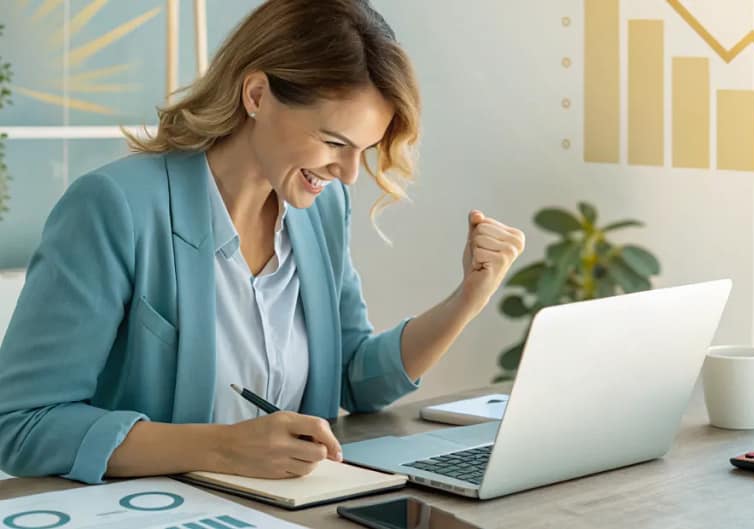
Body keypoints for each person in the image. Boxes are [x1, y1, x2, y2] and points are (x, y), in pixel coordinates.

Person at [0, 0, 525, 485]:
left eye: (363, 150)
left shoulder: (321, 210)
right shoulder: (114, 206)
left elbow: (354, 378)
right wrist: (223, 448)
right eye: (333, 142)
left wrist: (467, 298)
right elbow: (22, 424)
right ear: (256, 96)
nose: (347, 173)